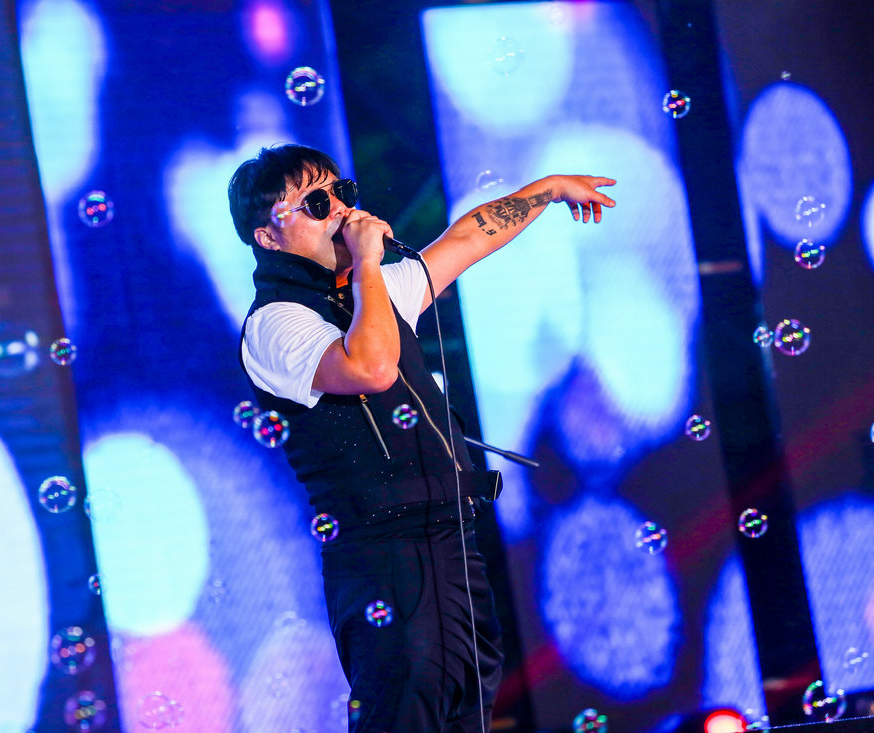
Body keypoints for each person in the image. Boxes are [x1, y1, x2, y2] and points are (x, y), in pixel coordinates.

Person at [229, 144, 615, 732]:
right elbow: (371, 367)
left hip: (451, 541)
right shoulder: (275, 321)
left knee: (465, 713)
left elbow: (466, 239)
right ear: (269, 237)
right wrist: (366, 261)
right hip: (385, 556)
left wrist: (550, 188)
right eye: (316, 202)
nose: (340, 210)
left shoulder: (373, 294)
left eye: (341, 193)